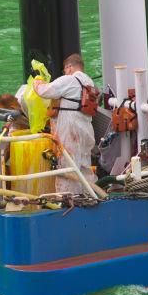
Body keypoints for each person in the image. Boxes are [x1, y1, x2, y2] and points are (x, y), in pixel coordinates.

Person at [32, 53, 98, 195]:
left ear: (68, 67)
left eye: (64, 70)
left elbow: (44, 91)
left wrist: (37, 80)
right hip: (86, 128)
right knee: (84, 165)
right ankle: (89, 195)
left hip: (70, 127)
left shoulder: (69, 79)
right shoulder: (89, 82)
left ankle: (68, 199)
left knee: (67, 165)